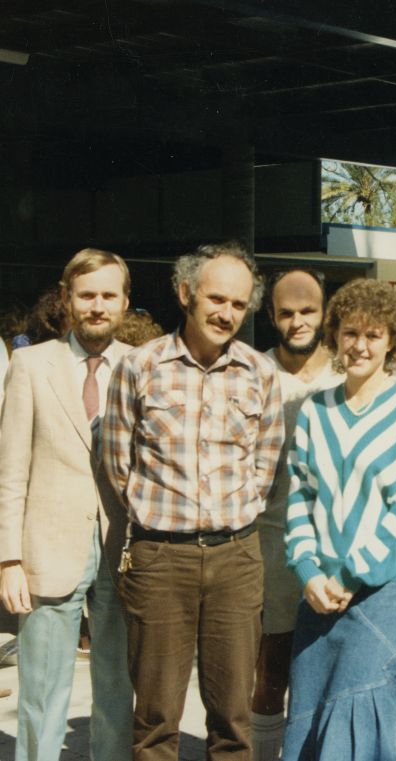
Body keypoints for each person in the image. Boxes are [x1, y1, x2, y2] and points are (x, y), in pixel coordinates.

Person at [103, 242, 284, 760]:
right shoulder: (139, 368)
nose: (227, 313)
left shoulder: (260, 373)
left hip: (236, 559)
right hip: (160, 560)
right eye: (216, 299)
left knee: (233, 720)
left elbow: (263, 469)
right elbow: (119, 465)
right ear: (186, 293)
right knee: (156, 721)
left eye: (238, 304)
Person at [283, 277, 396, 761]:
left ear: (391, 340)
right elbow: (299, 499)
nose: (360, 345)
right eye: (350, 333)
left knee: (359, 720)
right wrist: (309, 573)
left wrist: (350, 575)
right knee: (309, 719)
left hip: (383, 594)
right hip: (318, 595)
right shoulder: (315, 410)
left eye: (373, 335)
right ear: (334, 337)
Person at [0, 248, 134, 761]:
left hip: (124, 552)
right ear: (66, 299)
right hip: (48, 551)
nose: (97, 306)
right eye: (86, 295)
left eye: (108, 295)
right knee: (41, 695)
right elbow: (11, 471)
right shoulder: (31, 367)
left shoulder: (141, 367)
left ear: (125, 302)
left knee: (118, 692)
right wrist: (9, 559)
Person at [251, 268, 343, 761]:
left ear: (324, 311)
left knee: (331, 673)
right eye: (286, 313)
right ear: (270, 316)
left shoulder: (353, 371)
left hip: (340, 549)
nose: (298, 321)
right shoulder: (251, 370)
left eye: (308, 310)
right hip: (270, 544)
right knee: (271, 670)